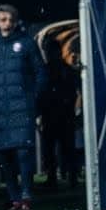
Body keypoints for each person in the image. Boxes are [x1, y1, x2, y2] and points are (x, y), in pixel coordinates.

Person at [0, 4, 47, 210]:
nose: (6, 23)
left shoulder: (26, 44)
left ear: (15, 21)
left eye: (9, 19)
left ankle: (26, 199)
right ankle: (14, 199)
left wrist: (31, 99)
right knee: (3, 154)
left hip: (20, 108)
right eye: (2, 20)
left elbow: (40, 74)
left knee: (23, 152)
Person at [38, 26, 81, 189]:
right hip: (58, 113)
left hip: (57, 113)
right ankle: (68, 177)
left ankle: (60, 177)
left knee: (58, 148)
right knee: (62, 148)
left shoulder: (49, 70)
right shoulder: (62, 69)